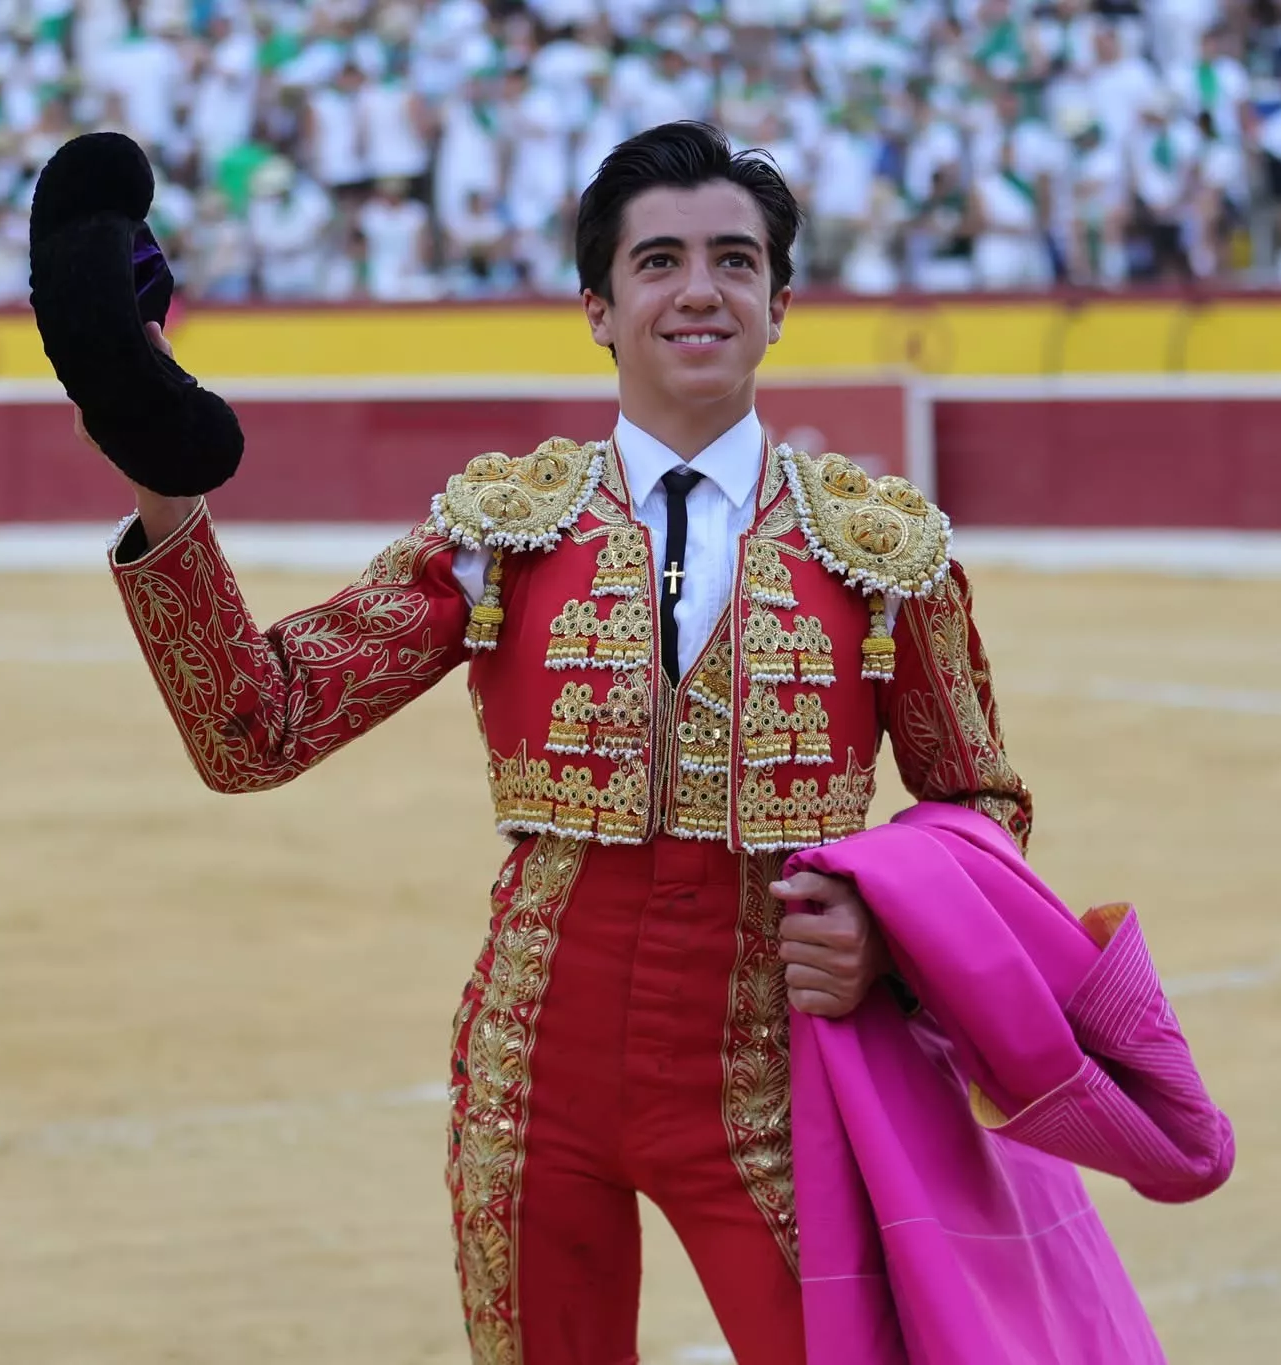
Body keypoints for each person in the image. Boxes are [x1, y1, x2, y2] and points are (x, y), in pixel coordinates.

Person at [94, 120, 1031, 1363]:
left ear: (779, 301)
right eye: (658, 262)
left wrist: (888, 936)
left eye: (733, 262)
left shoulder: (883, 550)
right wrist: (162, 478)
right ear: (597, 306)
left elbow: (980, 806)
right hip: (535, 1076)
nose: (698, 290)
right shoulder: (503, 531)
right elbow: (254, 728)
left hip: (782, 1077)